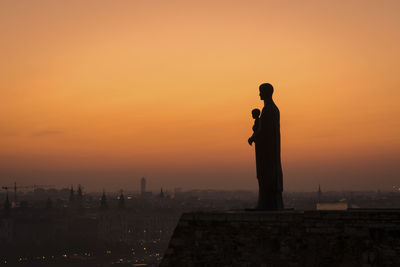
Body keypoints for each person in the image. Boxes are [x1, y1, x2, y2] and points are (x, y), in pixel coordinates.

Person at [248, 83, 283, 210]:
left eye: (260, 92)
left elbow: (263, 131)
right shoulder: (273, 109)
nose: (259, 94)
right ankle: (268, 203)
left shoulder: (268, 110)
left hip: (267, 152)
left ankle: (265, 204)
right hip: (270, 150)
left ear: (266, 93)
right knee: (267, 176)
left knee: (265, 176)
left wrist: (253, 138)